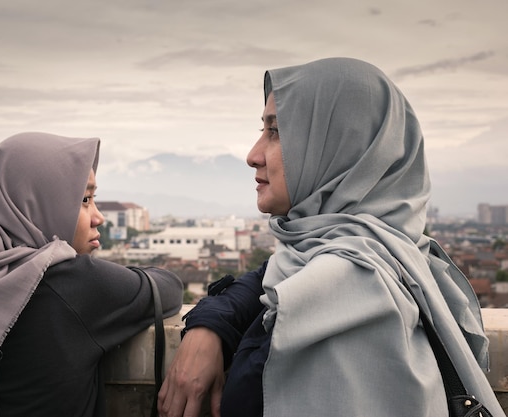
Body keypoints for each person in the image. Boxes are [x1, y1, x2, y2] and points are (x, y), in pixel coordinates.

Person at [158, 58, 505, 417]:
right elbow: (268, 277)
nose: (253, 155)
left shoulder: (358, 297)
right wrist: (211, 325)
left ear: (339, 147)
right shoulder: (377, 255)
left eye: (275, 132)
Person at [0, 132, 183, 417]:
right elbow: (169, 288)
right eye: (85, 199)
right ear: (36, 204)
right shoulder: (72, 283)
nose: (98, 217)